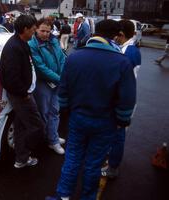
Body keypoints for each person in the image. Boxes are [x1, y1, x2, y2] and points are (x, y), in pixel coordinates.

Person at [46, 19, 136, 200]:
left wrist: (66, 110)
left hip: (78, 117)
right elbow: (127, 99)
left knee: (72, 158)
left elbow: (63, 89)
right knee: (94, 163)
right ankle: (88, 196)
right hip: (105, 121)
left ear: (95, 33)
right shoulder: (121, 61)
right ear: (115, 36)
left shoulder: (74, 56)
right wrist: (122, 120)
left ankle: (63, 195)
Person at [0, 14, 44, 169]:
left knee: (21, 126)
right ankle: (26, 153)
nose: (35, 32)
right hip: (21, 96)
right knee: (36, 126)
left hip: (23, 93)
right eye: (33, 29)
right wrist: (24, 94)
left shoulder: (21, 42)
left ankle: (21, 158)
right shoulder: (14, 47)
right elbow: (11, 78)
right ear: (25, 29)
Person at [101, 19, 141, 179]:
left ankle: (113, 168)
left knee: (118, 135)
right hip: (124, 98)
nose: (113, 38)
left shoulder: (128, 53)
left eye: (116, 34)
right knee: (116, 134)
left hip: (121, 100)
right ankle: (111, 160)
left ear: (122, 34)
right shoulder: (129, 49)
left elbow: (120, 80)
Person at [28, 18, 66, 155]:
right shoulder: (32, 44)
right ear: (36, 29)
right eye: (42, 31)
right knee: (44, 113)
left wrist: (61, 76)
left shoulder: (54, 40)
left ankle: (53, 138)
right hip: (42, 83)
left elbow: (62, 58)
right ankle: (46, 140)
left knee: (55, 111)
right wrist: (60, 79)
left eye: (48, 31)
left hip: (56, 82)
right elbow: (40, 67)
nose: (45, 34)